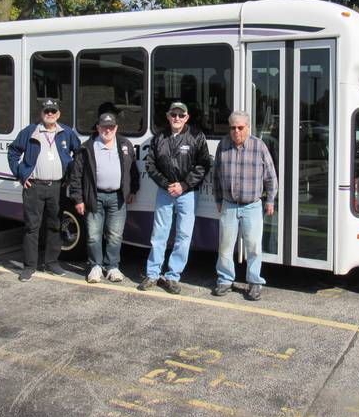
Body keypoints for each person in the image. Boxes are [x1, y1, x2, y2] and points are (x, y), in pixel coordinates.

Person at [138, 102, 210, 294]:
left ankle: (172, 276)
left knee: (183, 236)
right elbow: (150, 165)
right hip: (165, 192)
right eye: (173, 114)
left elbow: (203, 165)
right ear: (168, 116)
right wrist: (166, 184)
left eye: (181, 115)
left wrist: (184, 185)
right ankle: (152, 274)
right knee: (158, 234)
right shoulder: (159, 137)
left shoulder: (196, 136)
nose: (177, 118)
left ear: (187, 117)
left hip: (187, 194)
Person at [7, 98, 81, 282]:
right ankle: (30, 266)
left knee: (55, 226)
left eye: (53, 111)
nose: (50, 114)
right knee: (32, 228)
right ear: (41, 113)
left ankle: (51, 262)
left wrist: (71, 172)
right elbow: (13, 152)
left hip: (57, 187)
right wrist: (21, 174)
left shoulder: (66, 132)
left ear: (58, 114)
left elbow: (78, 151)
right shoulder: (30, 131)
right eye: (47, 111)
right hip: (34, 187)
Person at [212, 110, 278, 301]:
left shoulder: (259, 146)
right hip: (229, 205)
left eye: (240, 127)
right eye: (233, 128)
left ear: (248, 127)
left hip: (252, 206)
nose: (236, 131)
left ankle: (255, 282)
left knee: (254, 247)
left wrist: (270, 200)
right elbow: (216, 176)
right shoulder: (222, 145)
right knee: (225, 246)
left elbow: (271, 177)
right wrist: (218, 199)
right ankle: (224, 280)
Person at [68, 112, 139, 283]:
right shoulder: (87, 147)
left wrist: (133, 190)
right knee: (93, 235)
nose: (108, 130)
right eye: (104, 127)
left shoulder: (125, 145)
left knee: (115, 235)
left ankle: (113, 267)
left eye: (111, 127)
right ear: (98, 128)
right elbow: (76, 176)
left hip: (118, 197)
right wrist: (78, 199)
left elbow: (133, 171)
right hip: (94, 197)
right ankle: (95, 266)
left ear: (116, 128)